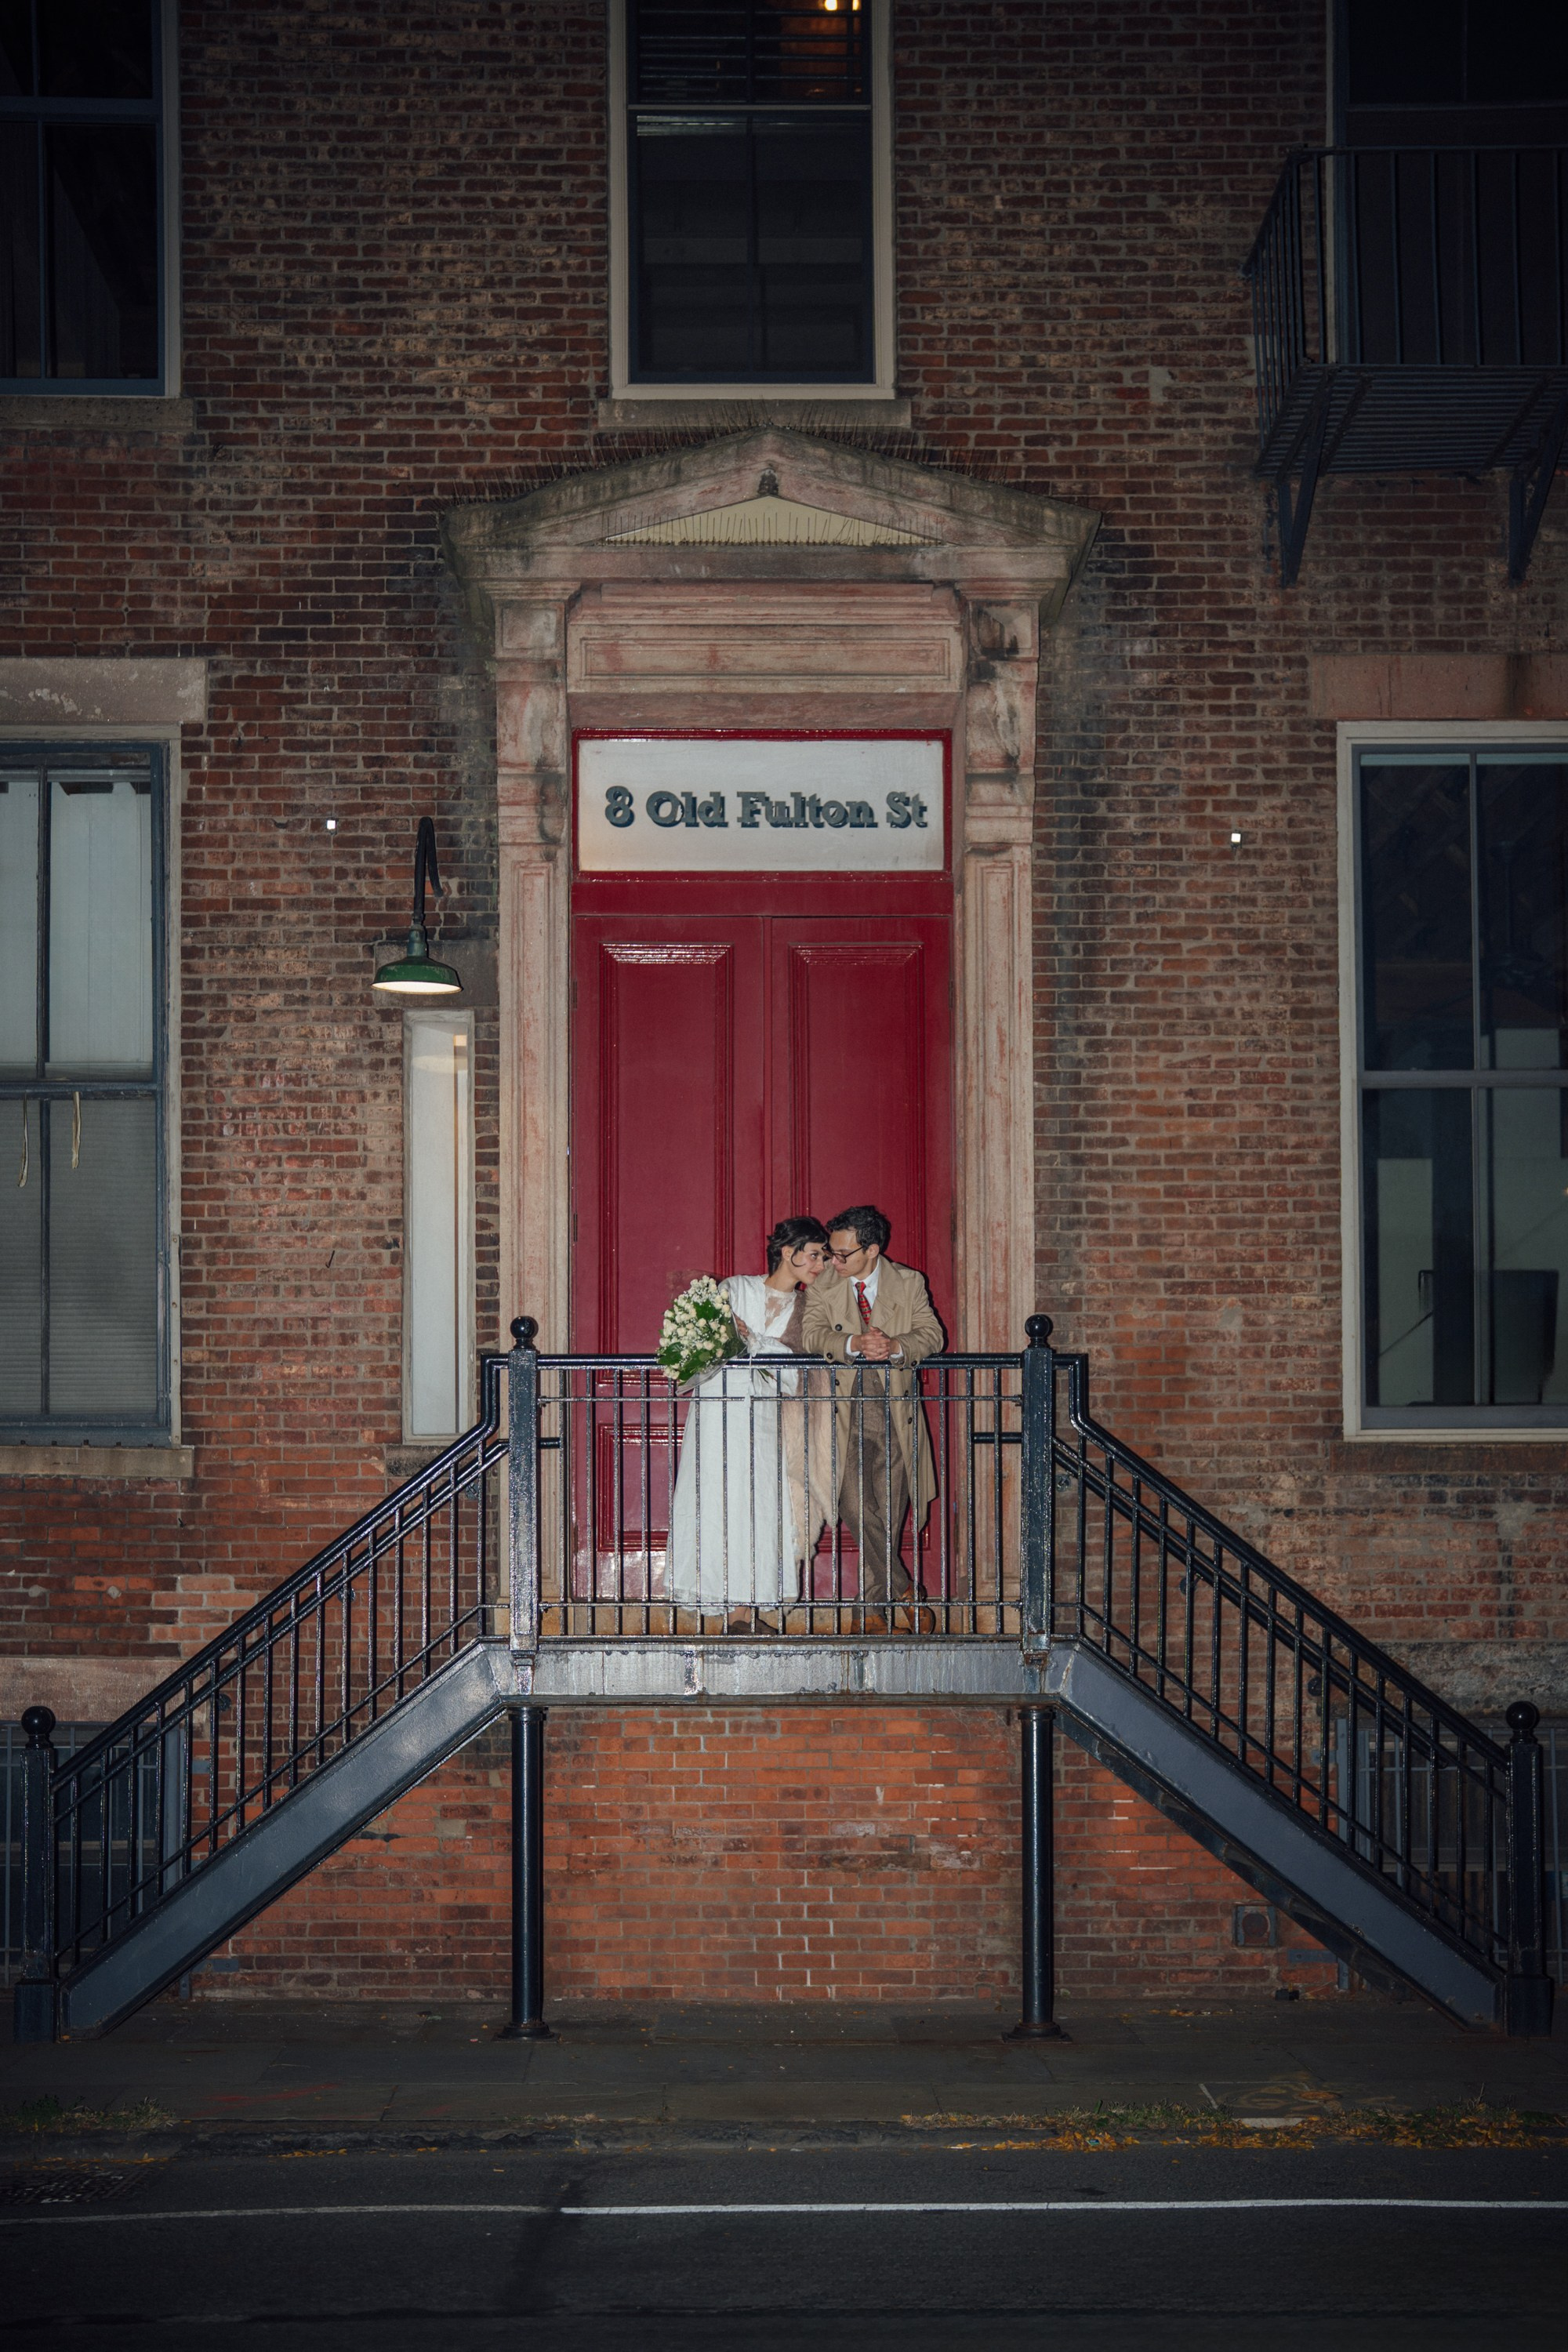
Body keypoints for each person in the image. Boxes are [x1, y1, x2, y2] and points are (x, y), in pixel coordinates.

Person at [664, 1218, 831, 1625]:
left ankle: (748, 1608)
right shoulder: (734, 1289)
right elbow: (703, 1350)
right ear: (788, 1252)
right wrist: (734, 1342)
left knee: (760, 1505)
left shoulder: (807, 1309)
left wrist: (755, 1342)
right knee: (717, 1501)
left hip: (766, 1419)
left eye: (824, 1258)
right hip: (717, 1412)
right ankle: (726, 1604)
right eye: (814, 1255)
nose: (821, 1265)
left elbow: (798, 1372)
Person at [802, 1204, 945, 1629]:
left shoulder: (909, 1282)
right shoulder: (824, 1284)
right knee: (853, 1505)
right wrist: (853, 1344)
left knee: (888, 1512)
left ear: (872, 1250)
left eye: (843, 1254)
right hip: (843, 1414)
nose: (833, 1261)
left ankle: (870, 1613)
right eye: (832, 1252)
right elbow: (811, 1334)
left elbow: (932, 1334)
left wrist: (895, 1346)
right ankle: (904, 1590)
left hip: (896, 1414)